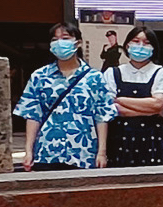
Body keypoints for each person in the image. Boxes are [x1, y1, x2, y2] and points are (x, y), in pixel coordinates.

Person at [15, 24, 115, 170]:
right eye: (55, 39)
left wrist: (102, 152)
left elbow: (102, 117)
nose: (60, 42)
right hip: (46, 152)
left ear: (78, 42)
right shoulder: (40, 76)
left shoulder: (95, 78)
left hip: (83, 152)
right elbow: (32, 115)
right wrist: (29, 151)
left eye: (65, 38)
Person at [104, 32, 163, 167]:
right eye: (136, 41)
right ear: (127, 45)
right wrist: (150, 111)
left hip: (154, 140)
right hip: (119, 141)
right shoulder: (112, 73)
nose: (140, 46)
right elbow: (109, 108)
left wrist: (120, 99)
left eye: (146, 43)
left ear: (154, 47)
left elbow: (157, 104)